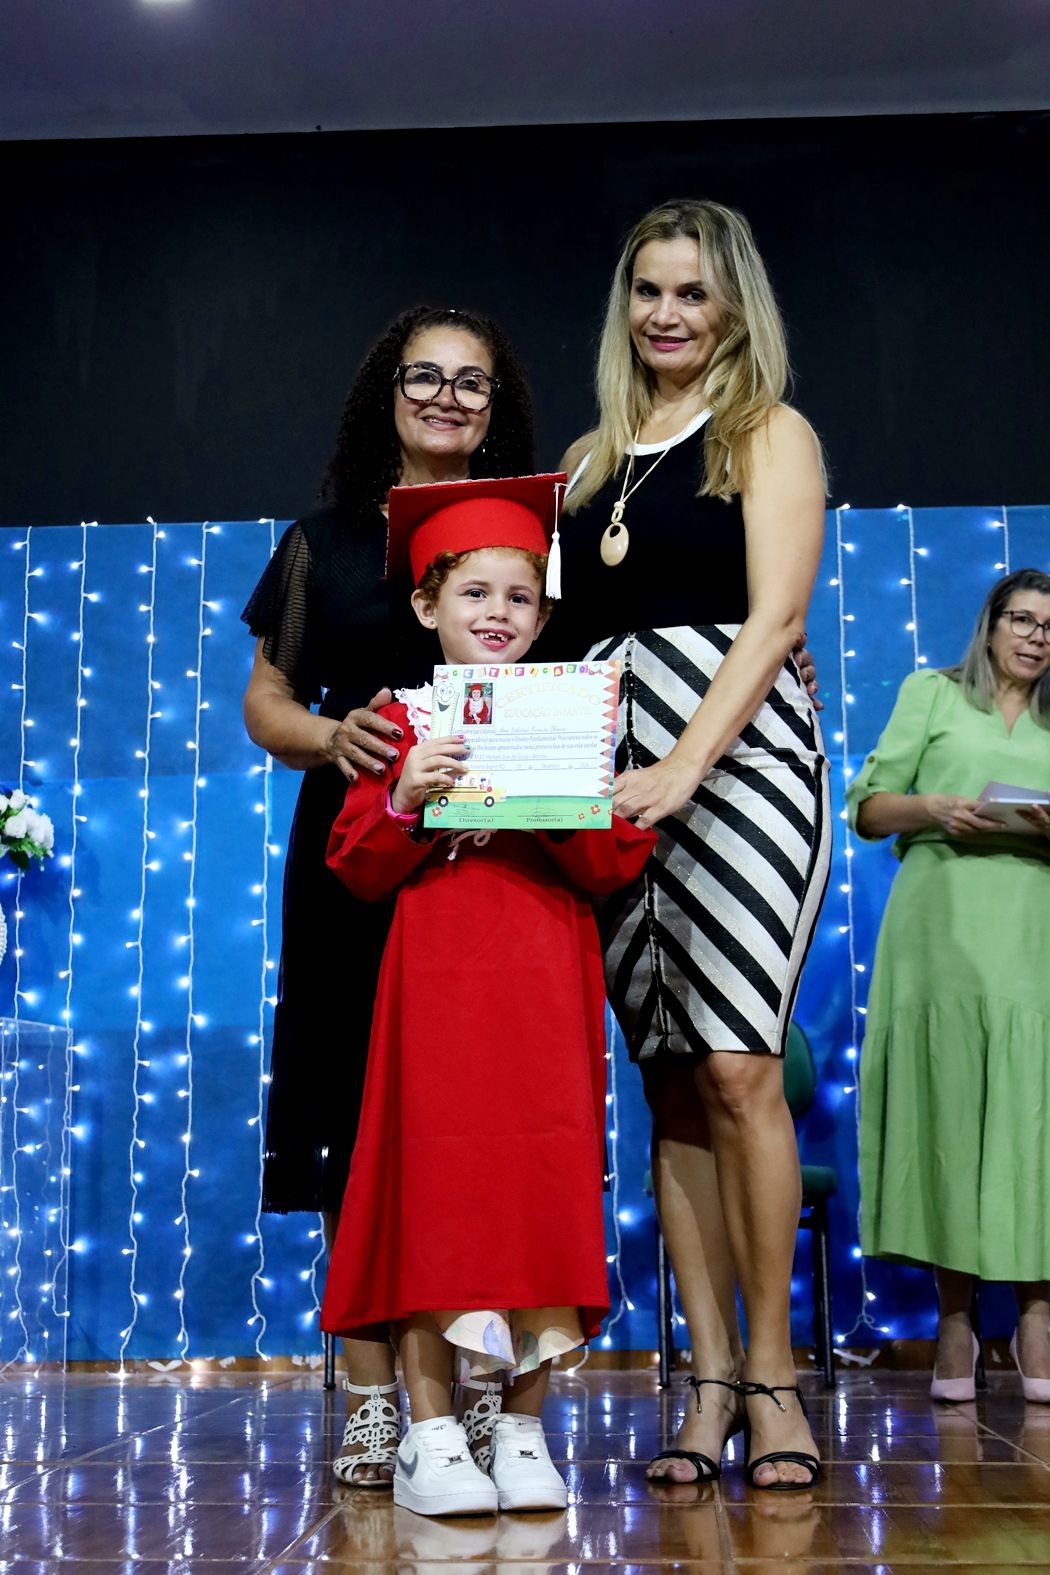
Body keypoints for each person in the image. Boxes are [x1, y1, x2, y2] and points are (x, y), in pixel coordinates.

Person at [556, 198, 831, 1489]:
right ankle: (708, 1377)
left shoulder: (767, 431)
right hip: (612, 784)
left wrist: (684, 765)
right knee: (668, 1081)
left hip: (743, 769)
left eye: (692, 291)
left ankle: (775, 1377)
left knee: (737, 1067)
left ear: (732, 307)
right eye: (647, 289)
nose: (666, 313)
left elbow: (774, 621)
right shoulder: (585, 462)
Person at [320, 475, 656, 1517]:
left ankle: (518, 1425)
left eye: (519, 597)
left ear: (544, 616)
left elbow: (613, 860)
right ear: (428, 606)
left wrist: (548, 796)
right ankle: (429, 1434)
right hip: (438, 979)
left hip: (545, 972)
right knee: (435, 1186)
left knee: (543, 1180)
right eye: (474, 594)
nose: (498, 613)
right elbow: (354, 863)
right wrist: (406, 798)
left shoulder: (576, 711)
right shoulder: (399, 717)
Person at [241, 305, 536, 1484]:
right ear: (387, 392)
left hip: (500, 861)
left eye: (471, 381)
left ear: (496, 407)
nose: (446, 398)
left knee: (480, 1122)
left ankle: (478, 1386)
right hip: (357, 854)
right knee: (355, 1118)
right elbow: (266, 702)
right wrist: (331, 737)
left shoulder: (532, 535)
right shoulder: (321, 544)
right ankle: (373, 1396)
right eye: (425, 376)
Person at [847, 568, 1050, 1404]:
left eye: (1049, 627)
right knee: (952, 1113)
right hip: (940, 934)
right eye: (1023, 619)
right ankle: (956, 1320)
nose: (1036, 636)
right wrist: (933, 807)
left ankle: (1037, 1315)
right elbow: (867, 807)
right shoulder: (929, 692)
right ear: (990, 624)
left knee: (1034, 1119)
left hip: (1032, 935)